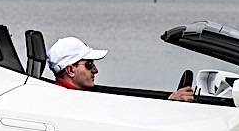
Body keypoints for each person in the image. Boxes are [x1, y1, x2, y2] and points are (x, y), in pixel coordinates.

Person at [47, 36, 194, 101]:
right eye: (89, 64)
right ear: (70, 70)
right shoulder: (71, 101)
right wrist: (170, 105)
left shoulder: (73, 97)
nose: (96, 70)